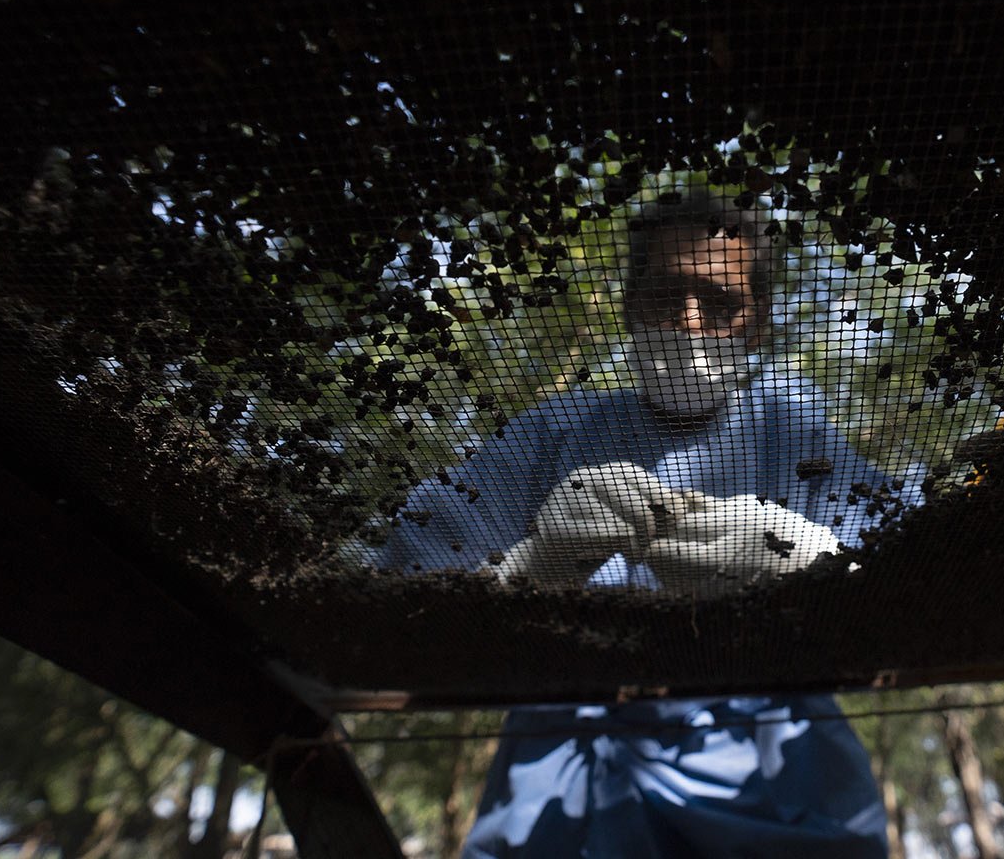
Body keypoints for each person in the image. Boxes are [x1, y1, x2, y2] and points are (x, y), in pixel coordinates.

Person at [373, 189, 916, 858]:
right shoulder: (555, 432)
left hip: (775, 764)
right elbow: (404, 573)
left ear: (757, 322)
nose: (689, 323)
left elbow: (920, 562)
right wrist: (532, 567)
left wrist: (813, 557)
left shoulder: (793, 436)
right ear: (631, 305)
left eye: (718, 304)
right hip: (566, 772)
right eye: (666, 296)